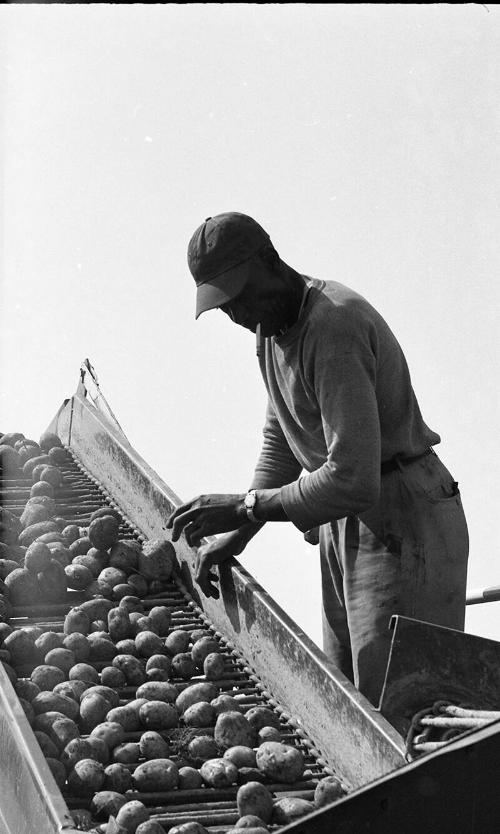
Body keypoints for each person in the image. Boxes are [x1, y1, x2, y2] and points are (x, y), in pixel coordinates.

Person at [166, 211, 469, 706]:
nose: (237, 313)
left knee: (397, 711)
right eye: (224, 306)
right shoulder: (270, 332)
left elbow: (353, 478)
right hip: (343, 521)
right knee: (351, 705)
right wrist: (237, 535)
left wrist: (246, 506)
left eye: (240, 295)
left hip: (402, 517)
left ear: (270, 260)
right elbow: (283, 440)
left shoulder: (333, 326)